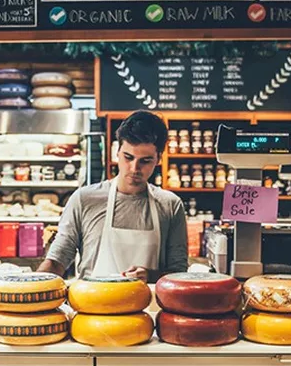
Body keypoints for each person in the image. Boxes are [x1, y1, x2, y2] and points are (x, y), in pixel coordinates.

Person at [39, 111, 188, 282]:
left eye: (145, 161)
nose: (134, 168)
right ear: (117, 152)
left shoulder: (170, 205)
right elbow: (57, 260)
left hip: (149, 307)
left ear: (158, 159)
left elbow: (178, 273)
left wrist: (151, 276)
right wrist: (33, 289)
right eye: (128, 157)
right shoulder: (84, 200)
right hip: (92, 305)